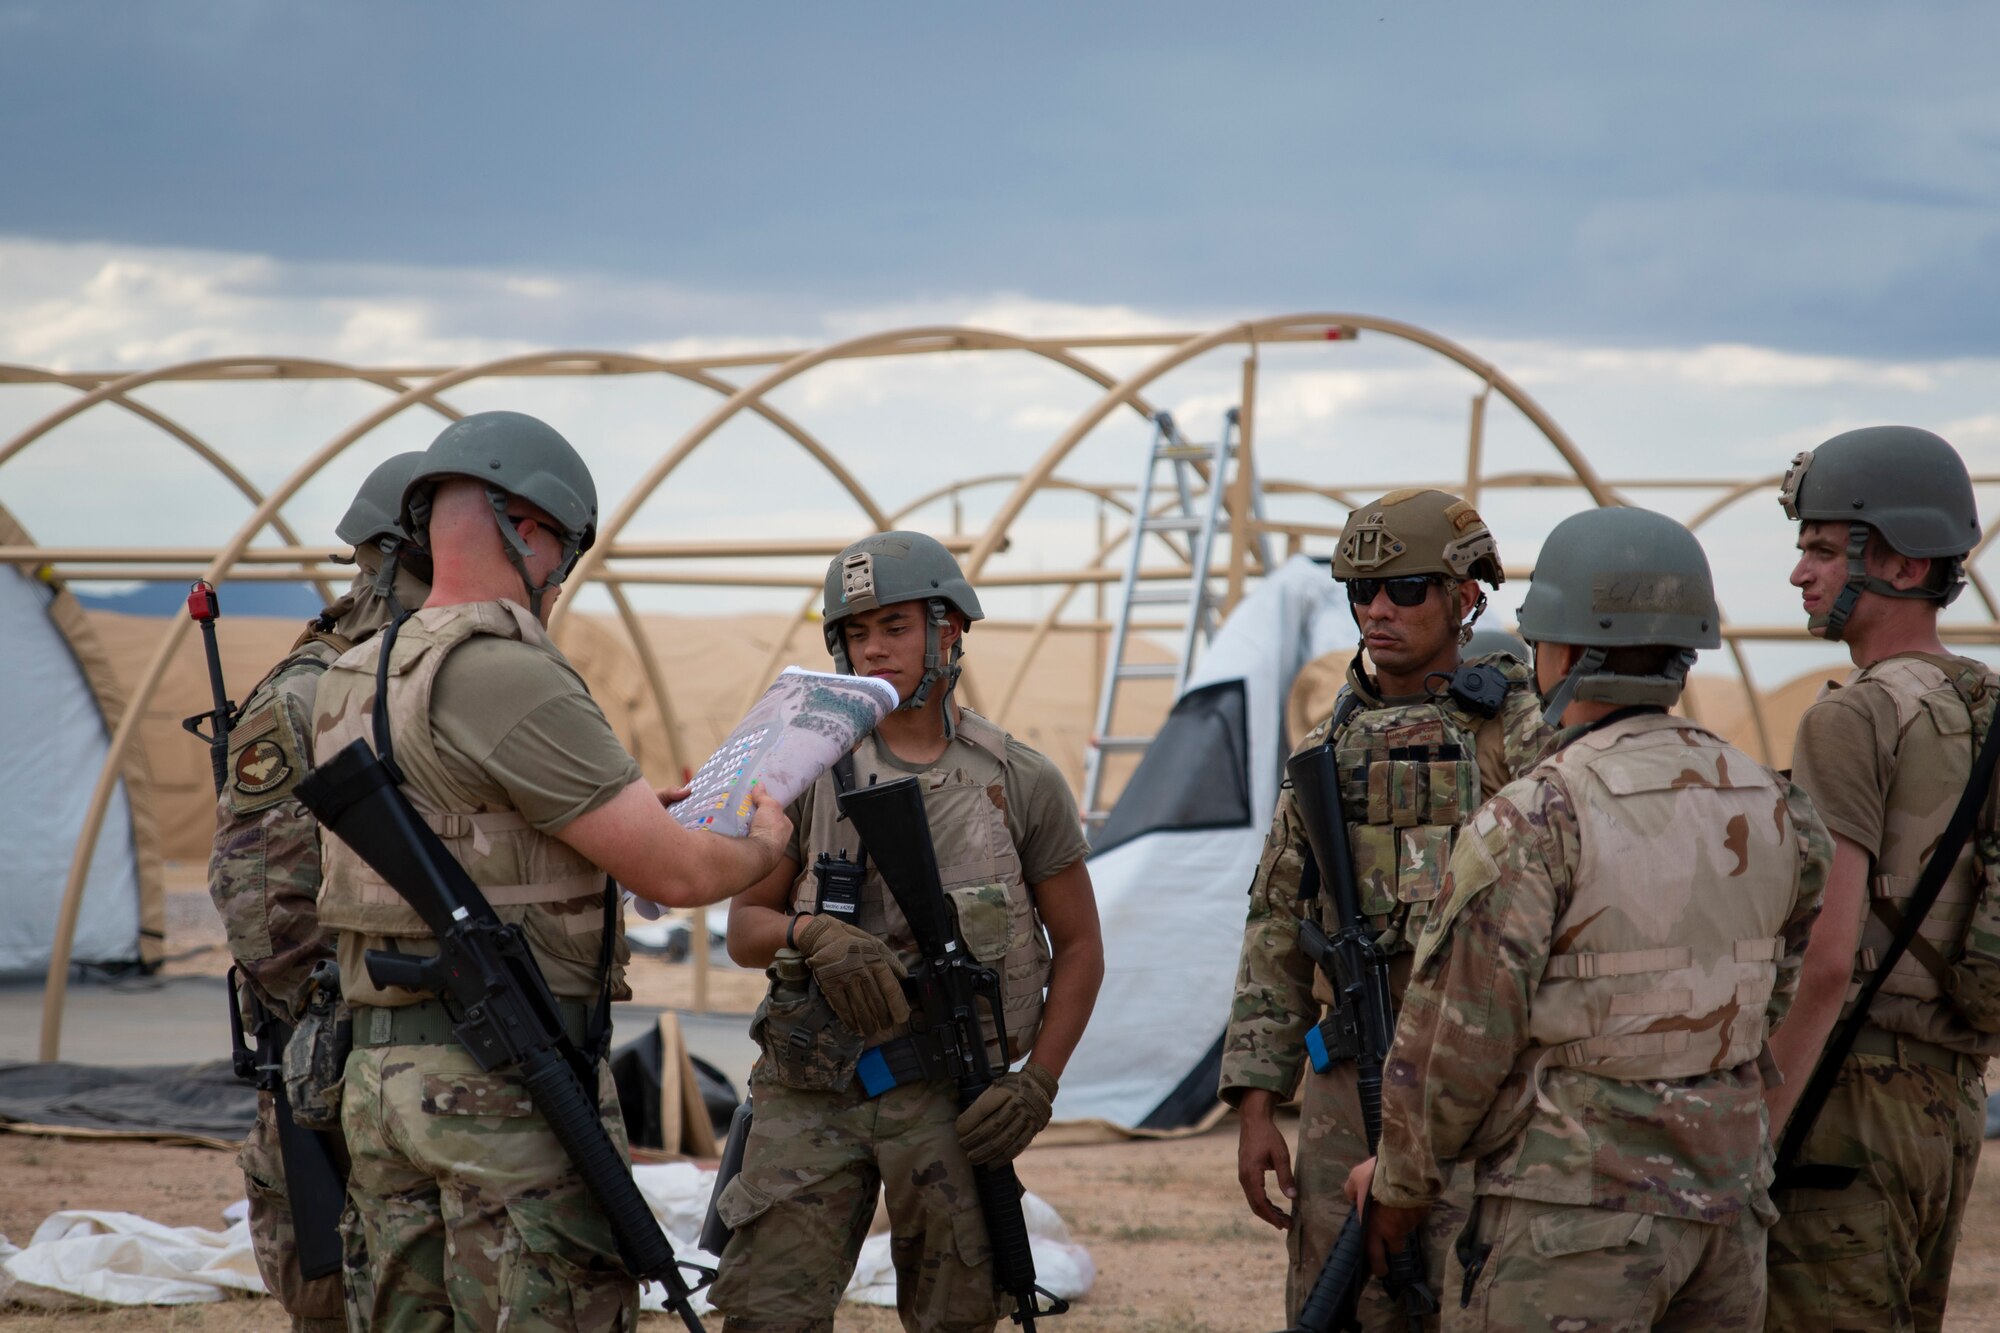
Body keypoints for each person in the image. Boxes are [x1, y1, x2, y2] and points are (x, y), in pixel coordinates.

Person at [310, 410, 791, 1332]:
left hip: (380, 1080)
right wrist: (762, 843)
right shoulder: (509, 672)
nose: (561, 577)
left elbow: (461, 825)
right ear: (524, 526)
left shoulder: (356, 672)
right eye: (565, 549)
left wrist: (630, 808)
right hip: (500, 1079)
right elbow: (684, 876)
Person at [1350, 505, 1831, 1331]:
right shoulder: (1773, 799)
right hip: (1726, 1214)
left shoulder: (1537, 814)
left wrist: (1398, 1186)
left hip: (1573, 1223)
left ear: (1561, 650)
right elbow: (1773, 994)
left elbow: (1459, 1040)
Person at [709, 530, 1104, 1333]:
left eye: (894, 626)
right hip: (811, 1083)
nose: (875, 647)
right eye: (857, 631)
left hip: (949, 1090)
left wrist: (1039, 1082)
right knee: (765, 1313)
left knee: (957, 1313)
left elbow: (1082, 946)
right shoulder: (806, 767)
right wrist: (810, 932)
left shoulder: (1017, 778)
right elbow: (744, 927)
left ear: (948, 628)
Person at [1220, 488, 1550, 1329]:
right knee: (1342, 1295)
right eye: (1360, 590)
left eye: (1404, 587)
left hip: (1485, 1079)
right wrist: (1258, 1101)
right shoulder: (1327, 750)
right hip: (1348, 1080)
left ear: (1466, 593)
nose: (1377, 608)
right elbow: (1276, 929)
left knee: (1476, 1290)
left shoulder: (1523, 734)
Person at [1765, 426, 1996, 1333]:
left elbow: (1825, 963)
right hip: (1954, 1104)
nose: (1799, 573)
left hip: (1850, 1099)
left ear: (1898, 562)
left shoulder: (1854, 718)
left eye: (1822, 548)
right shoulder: (1984, 698)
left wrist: (1759, 1132)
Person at [210, 450, 430, 1333]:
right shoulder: (307, 697)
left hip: (409, 1068)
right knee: (337, 1299)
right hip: (331, 1062)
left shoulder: (421, 680)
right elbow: (262, 901)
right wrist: (342, 1017)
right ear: (384, 559)